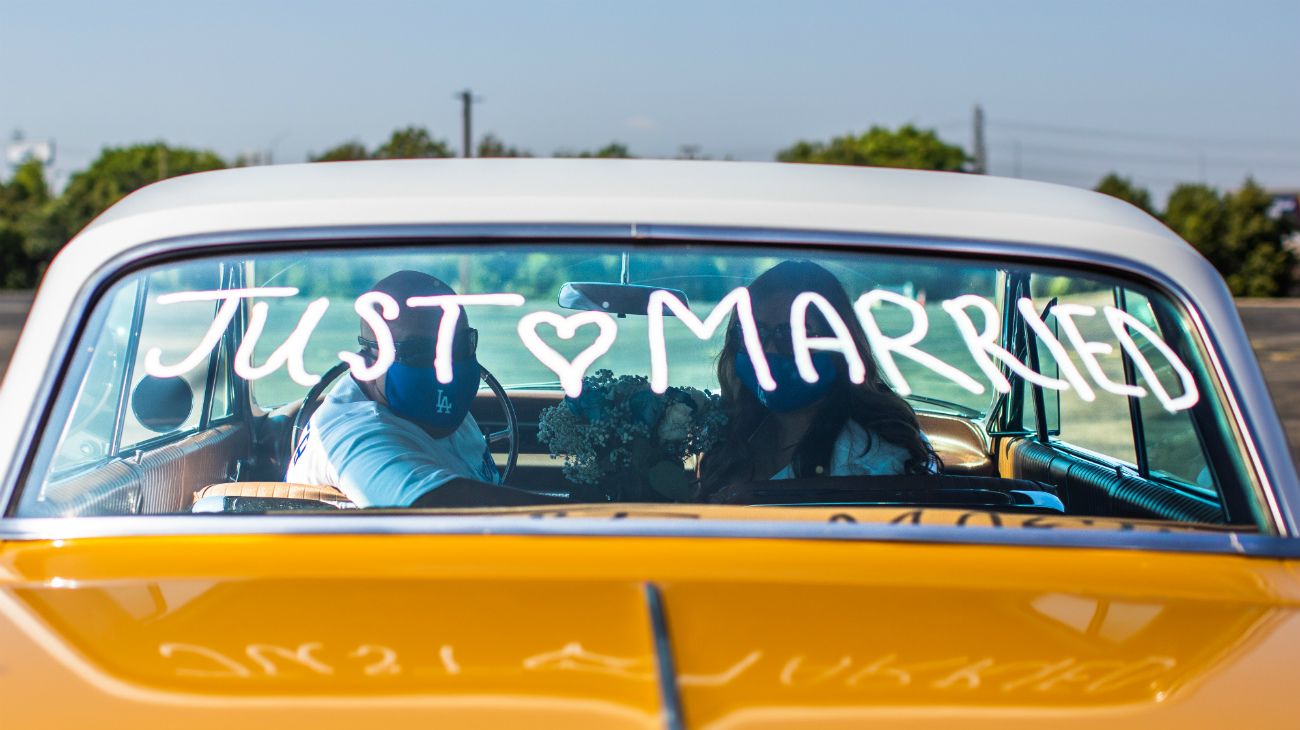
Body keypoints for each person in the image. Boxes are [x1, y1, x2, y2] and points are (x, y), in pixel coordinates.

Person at [698, 260, 939, 501]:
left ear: (839, 345)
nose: (767, 350)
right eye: (753, 333)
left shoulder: (873, 460)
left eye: (792, 335)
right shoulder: (735, 432)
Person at [287, 270, 523, 508]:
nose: (445, 365)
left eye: (459, 345)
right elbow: (434, 509)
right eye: (419, 351)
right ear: (368, 362)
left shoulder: (429, 406)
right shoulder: (354, 435)